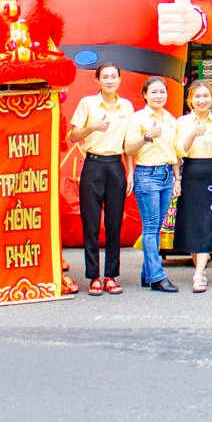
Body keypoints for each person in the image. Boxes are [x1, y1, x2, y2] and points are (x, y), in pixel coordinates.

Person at [69, 63, 132, 295]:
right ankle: (94, 277)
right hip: (93, 164)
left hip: (116, 166)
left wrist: (130, 171)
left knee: (114, 224)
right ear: (97, 80)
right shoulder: (88, 103)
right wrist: (92, 127)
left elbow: (127, 143)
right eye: (105, 77)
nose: (109, 81)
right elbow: (73, 135)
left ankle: (111, 276)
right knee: (91, 223)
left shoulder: (126, 106)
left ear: (120, 80)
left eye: (113, 77)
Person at [124, 77, 181, 293]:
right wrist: (147, 137)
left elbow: (174, 152)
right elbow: (129, 148)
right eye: (154, 92)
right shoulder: (138, 118)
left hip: (166, 174)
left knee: (157, 226)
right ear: (145, 95)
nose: (159, 96)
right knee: (150, 226)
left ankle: (147, 272)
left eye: (162, 92)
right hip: (147, 173)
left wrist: (177, 178)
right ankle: (157, 277)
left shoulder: (170, 119)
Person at [173, 80, 212, 293]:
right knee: (192, 225)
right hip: (190, 173)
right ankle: (200, 270)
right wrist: (193, 133)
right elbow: (179, 152)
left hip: (211, 174)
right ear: (190, 100)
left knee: (206, 224)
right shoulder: (182, 122)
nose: (202, 100)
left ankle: (198, 274)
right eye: (197, 96)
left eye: (206, 96)